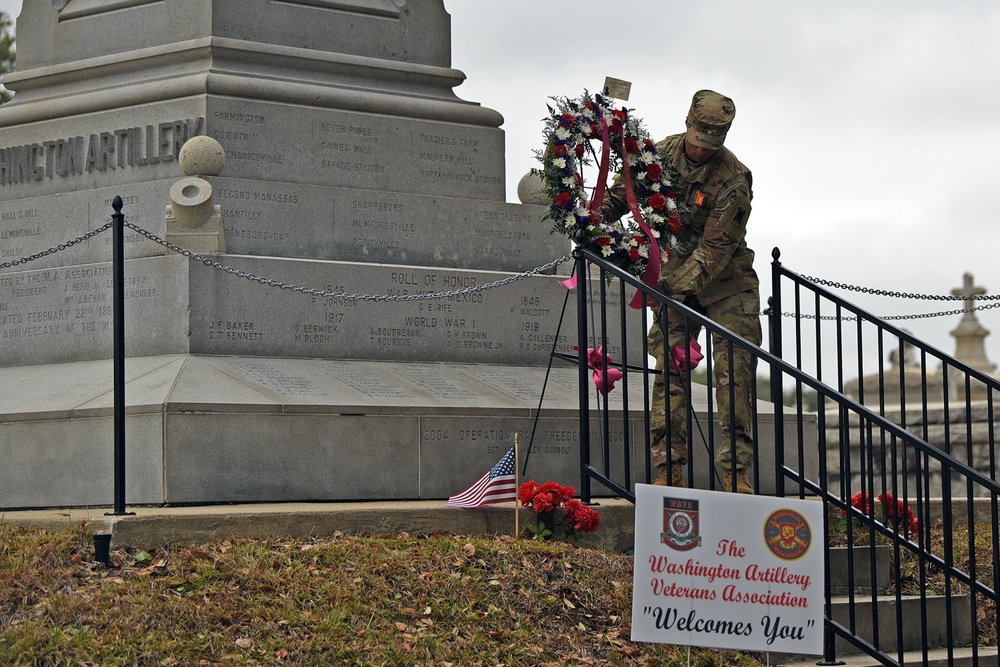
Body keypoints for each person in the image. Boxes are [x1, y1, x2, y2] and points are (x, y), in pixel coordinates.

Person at [603, 89, 761, 494]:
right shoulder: (659, 155)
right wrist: (592, 221)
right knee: (669, 374)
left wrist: (666, 287)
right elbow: (625, 196)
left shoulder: (734, 179)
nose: (702, 149)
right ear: (688, 123)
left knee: (734, 376)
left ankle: (735, 472)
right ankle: (668, 469)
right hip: (672, 279)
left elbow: (714, 251)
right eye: (698, 139)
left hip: (726, 284)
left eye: (711, 144)